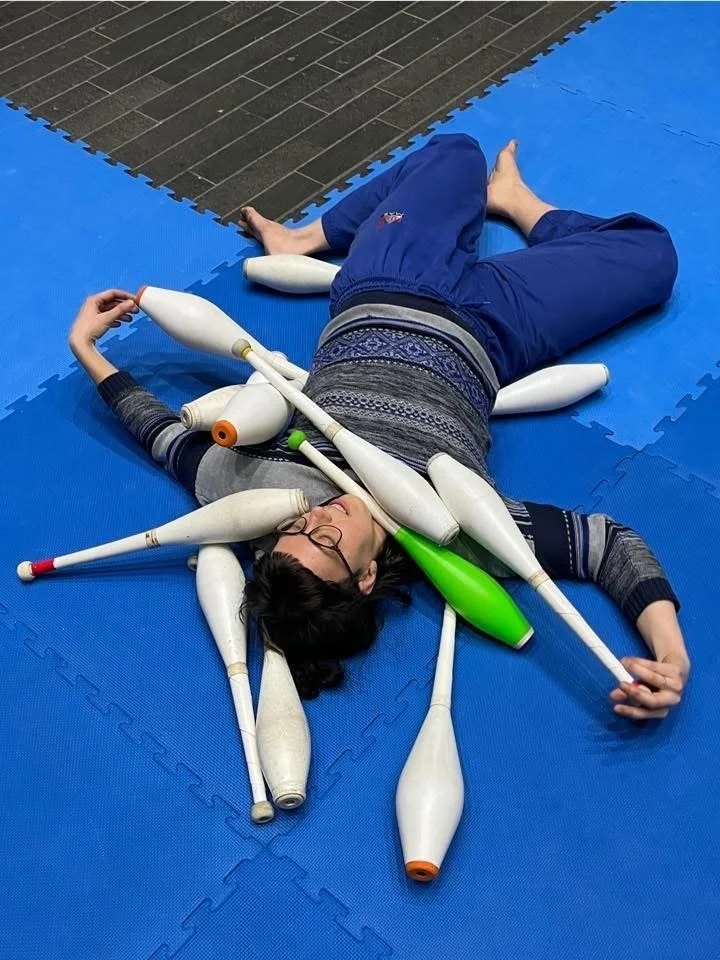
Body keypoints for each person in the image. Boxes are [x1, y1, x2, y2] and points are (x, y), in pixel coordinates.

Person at [69, 134, 690, 718]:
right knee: (653, 255)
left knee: (457, 153)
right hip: (499, 332)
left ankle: (304, 239)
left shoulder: (257, 493)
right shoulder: (464, 536)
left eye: (297, 528)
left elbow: (162, 438)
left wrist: (88, 351)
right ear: (367, 578)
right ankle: (520, 204)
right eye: (328, 542)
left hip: (390, 280)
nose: (319, 518)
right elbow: (610, 543)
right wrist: (670, 654)